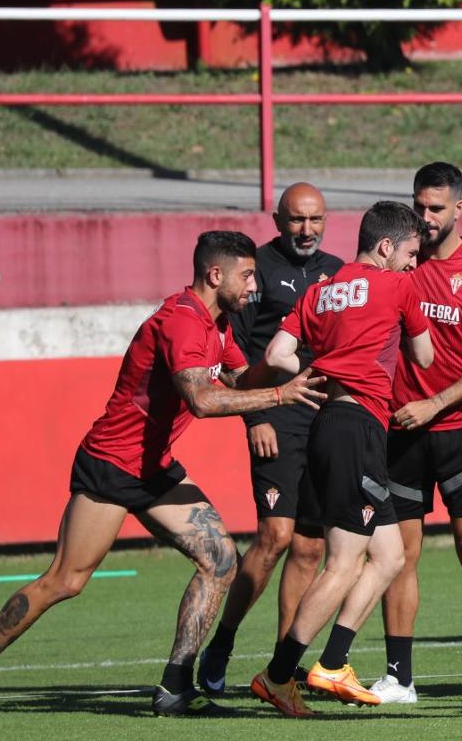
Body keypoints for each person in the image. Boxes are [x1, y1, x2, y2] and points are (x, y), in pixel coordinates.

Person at [0, 231, 326, 724]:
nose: (255, 285)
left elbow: (241, 379)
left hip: (154, 467)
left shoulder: (219, 324)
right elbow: (203, 402)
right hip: (112, 465)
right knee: (66, 580)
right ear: (215, 275)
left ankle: (175, 687)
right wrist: (279, 397)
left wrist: (288, 359)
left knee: (221, 559)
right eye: (247, 275)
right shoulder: (182, 323)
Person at [250, 202, 434, 717]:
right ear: (385, 247)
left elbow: (277, 357)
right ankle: (280, 674)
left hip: (330, 424)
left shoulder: (319, 289)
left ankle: (332, 660)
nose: (413, 264)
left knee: (391, 555)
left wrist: (321, 365)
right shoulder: (400, 287)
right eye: (410, 254)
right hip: (358, 429)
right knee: (344, 561)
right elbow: (424, 358)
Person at [198, 183, 344, 694]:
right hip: (275, 414)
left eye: (316, 220)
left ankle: (283, 670)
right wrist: (254, 416)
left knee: (309, 546)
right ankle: (223, 642)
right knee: (274, 538)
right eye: (297, 220)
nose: (307, 230)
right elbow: (231, 353)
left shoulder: (340, 272)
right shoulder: (251, 270)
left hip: (324, 416)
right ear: (279, 219)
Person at [373, 162, 462, 705]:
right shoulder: (393, 264)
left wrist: (436, 403)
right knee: (399, 555)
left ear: (459, 209)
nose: (425, 218)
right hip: (399, 431)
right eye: (418, 206)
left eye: (435, 208)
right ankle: (399, 676)